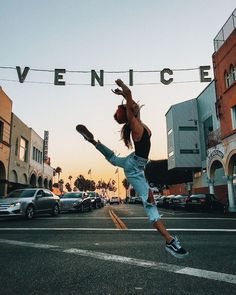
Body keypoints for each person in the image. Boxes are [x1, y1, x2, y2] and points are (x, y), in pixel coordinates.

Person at [76, 79, 188, 258]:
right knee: (151, 206)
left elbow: (132, 103)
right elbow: (129, 96)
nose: (134, 104)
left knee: (113, 158)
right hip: (135, 167)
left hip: (134, 162)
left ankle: (92, 141)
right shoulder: (134, 123)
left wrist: (125, 98)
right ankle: (170, 242)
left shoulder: (137, 122)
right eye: (130, 106)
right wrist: (123, 89)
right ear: (129, 111)